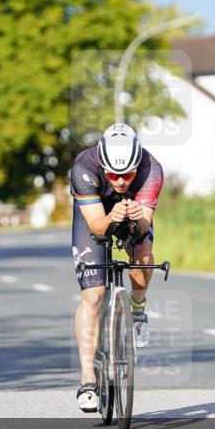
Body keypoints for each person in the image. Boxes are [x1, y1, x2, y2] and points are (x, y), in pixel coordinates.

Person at [70, 123, 163, 412]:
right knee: (93, 295)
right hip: (95, 215)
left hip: (132, 211)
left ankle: (138, 308)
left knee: (143, 254)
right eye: (112, 174)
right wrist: (112, 216)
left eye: (127, 174)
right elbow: (97, 227)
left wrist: (137, 219)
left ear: (137, 165)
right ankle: (88, 378)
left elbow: (143, 227)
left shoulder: (151, 169)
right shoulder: (84, 166)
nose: (120, 181)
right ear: (102, 164)